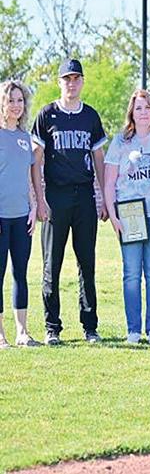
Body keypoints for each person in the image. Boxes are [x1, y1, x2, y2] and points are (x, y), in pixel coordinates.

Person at [30, 59, 108, 345]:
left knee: (87, 263)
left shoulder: (90, 116)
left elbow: (99, 158)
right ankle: (52, 327)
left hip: (84, 195)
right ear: (59, 82)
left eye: (76, 78)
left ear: (82, 81)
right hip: (56, 196)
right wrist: (39, 199)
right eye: (67, 79)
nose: (71, 83)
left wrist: (104, 197)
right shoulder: (46, 114)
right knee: (52, 264)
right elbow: (36, 160)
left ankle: (90, 327)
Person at [103, 89, 150, 345]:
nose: (143, 112)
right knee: (132, 273)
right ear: (131, 113)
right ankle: (133, 329)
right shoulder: (121, 142)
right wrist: (113, 216)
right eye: (138, 108)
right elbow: (109, 183)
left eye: (147, 107)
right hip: (130, 214)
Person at [0, 80, 40, 348]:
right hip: (1, 217)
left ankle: (22, 332)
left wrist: (33, 206)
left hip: (22, 217)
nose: (16, 105)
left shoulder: (25, 138)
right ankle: (0, 335)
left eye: (20, 100)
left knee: (21, 274)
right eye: (10, 100)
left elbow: (26, 178)